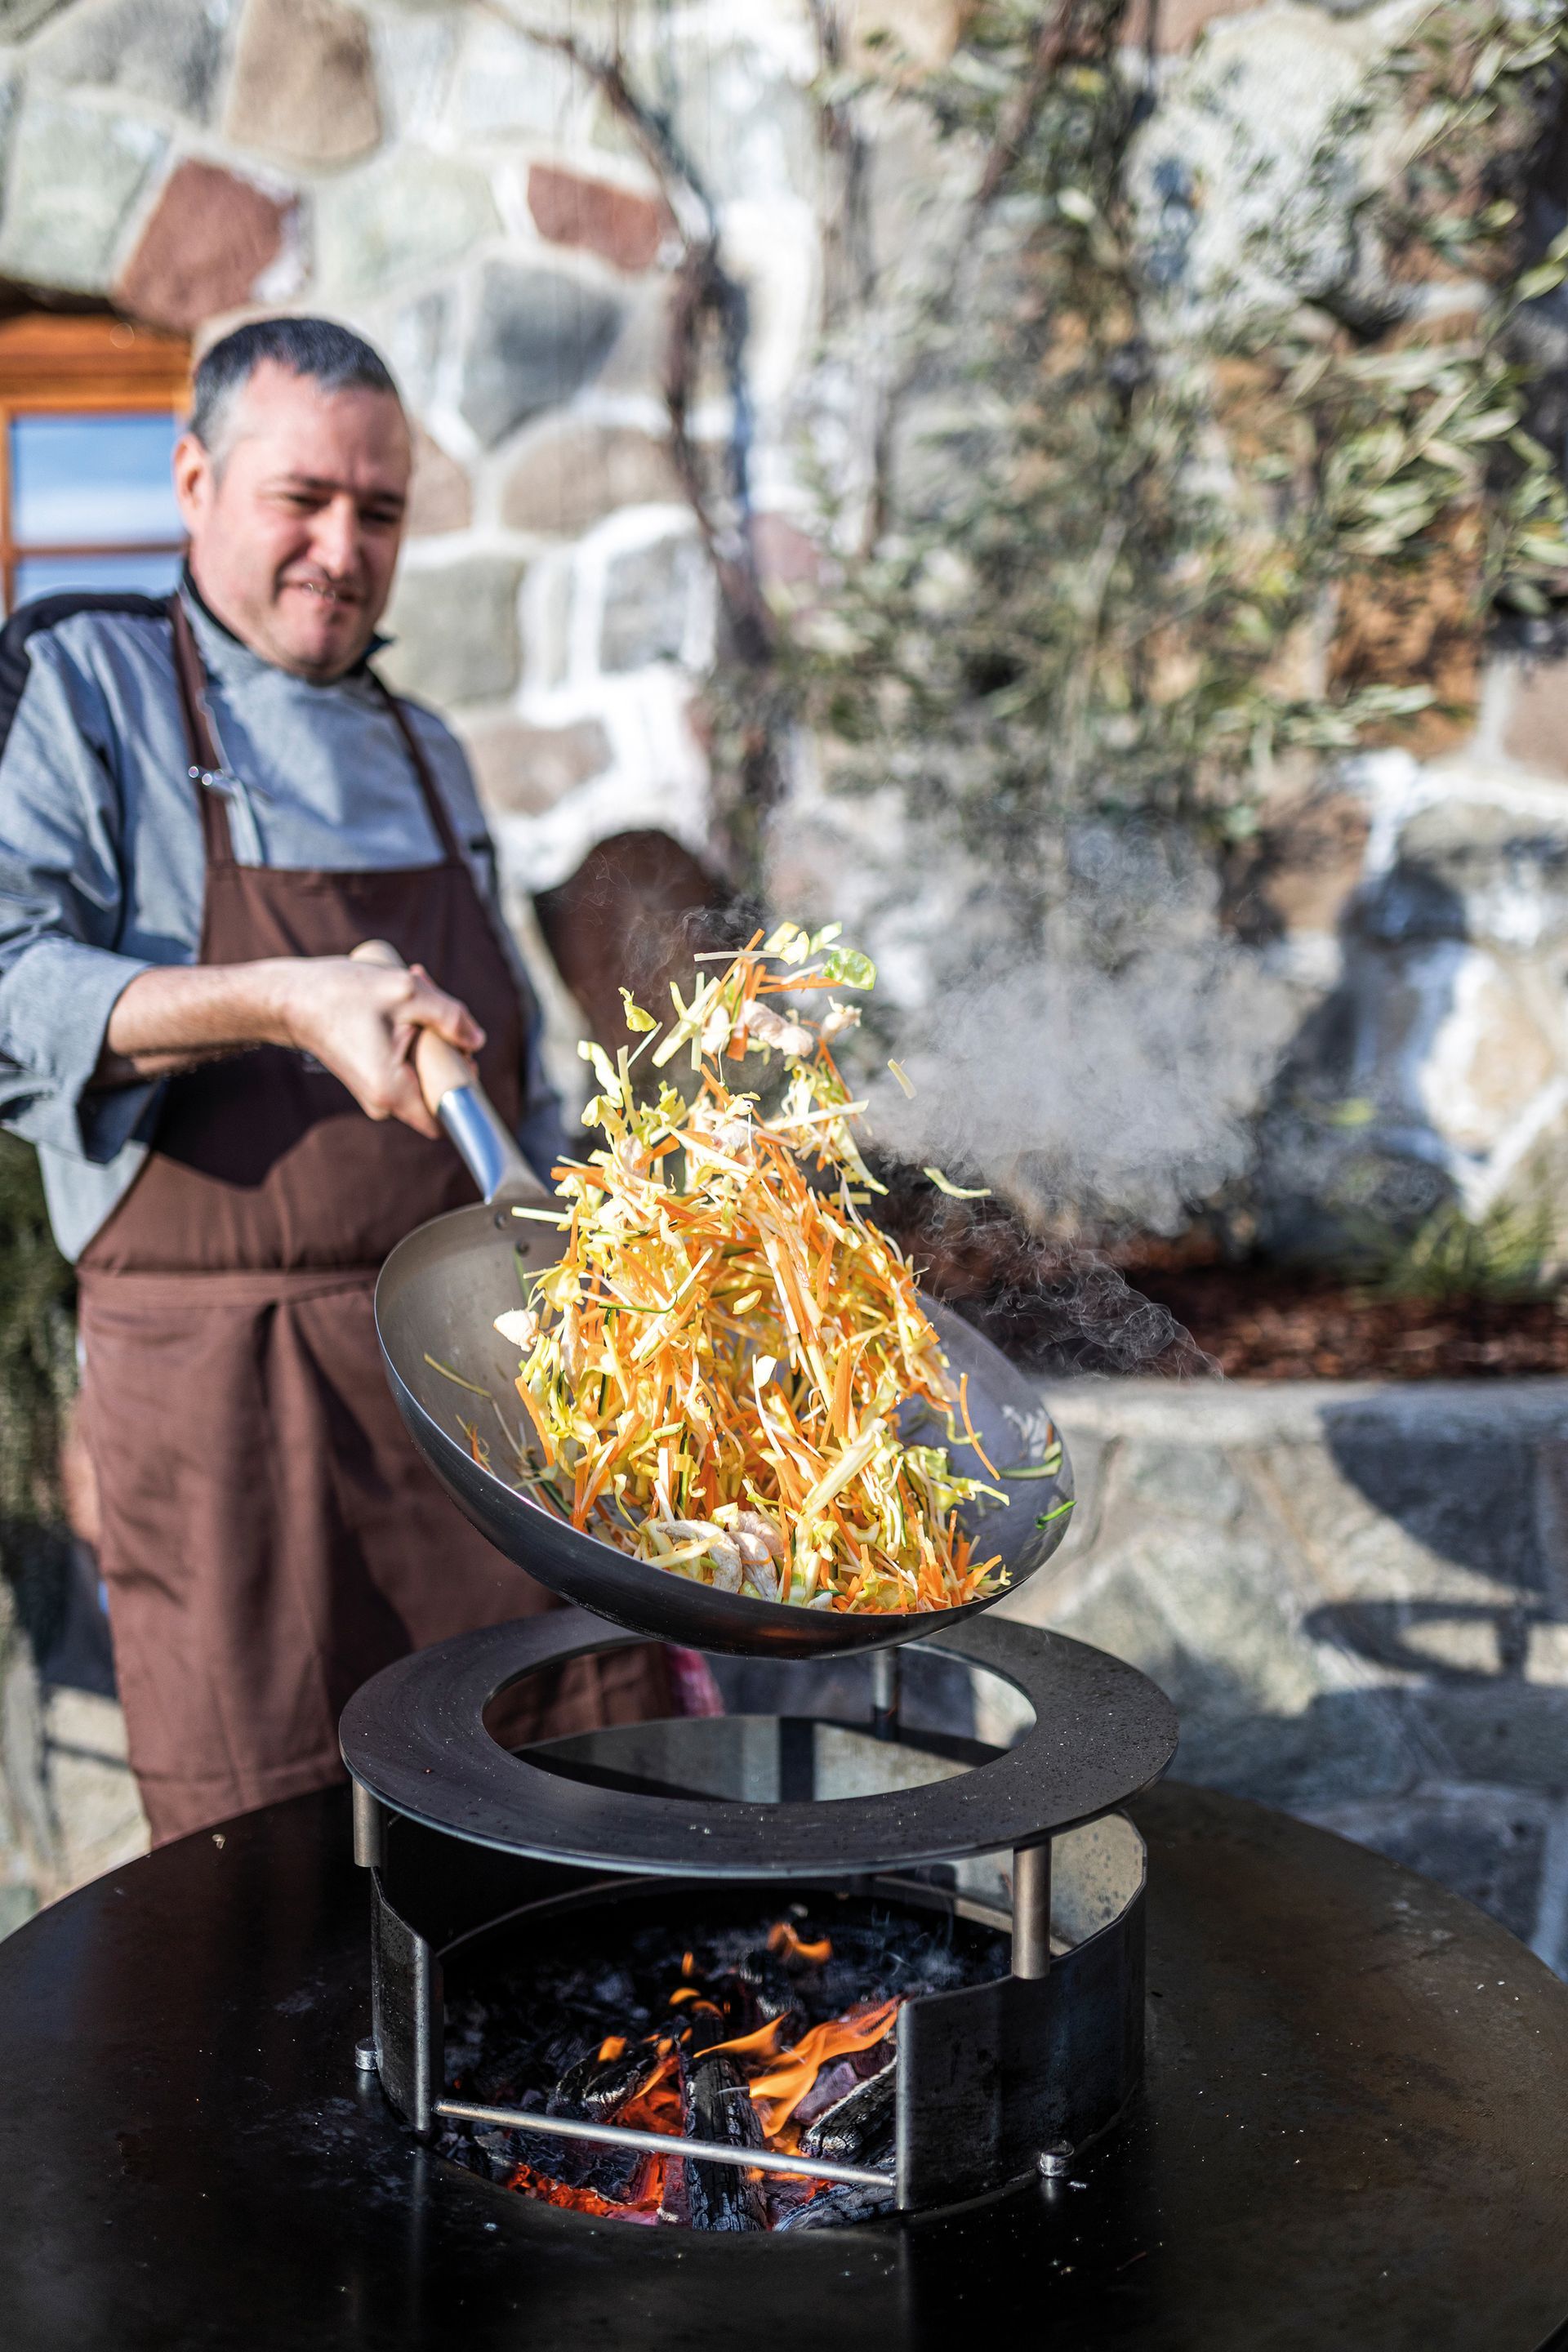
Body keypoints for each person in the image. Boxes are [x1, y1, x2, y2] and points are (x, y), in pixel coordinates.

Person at [0, 315, 659, 1846]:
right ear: (192, 479)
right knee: (270, 1873)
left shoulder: (426, 746)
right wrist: (284, 998)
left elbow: (522, 1091)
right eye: (302, 500)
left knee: (542, 1827)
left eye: (380, 512)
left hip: (478, 1401)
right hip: (232, 1415)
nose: (340, 551)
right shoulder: (86, 693)